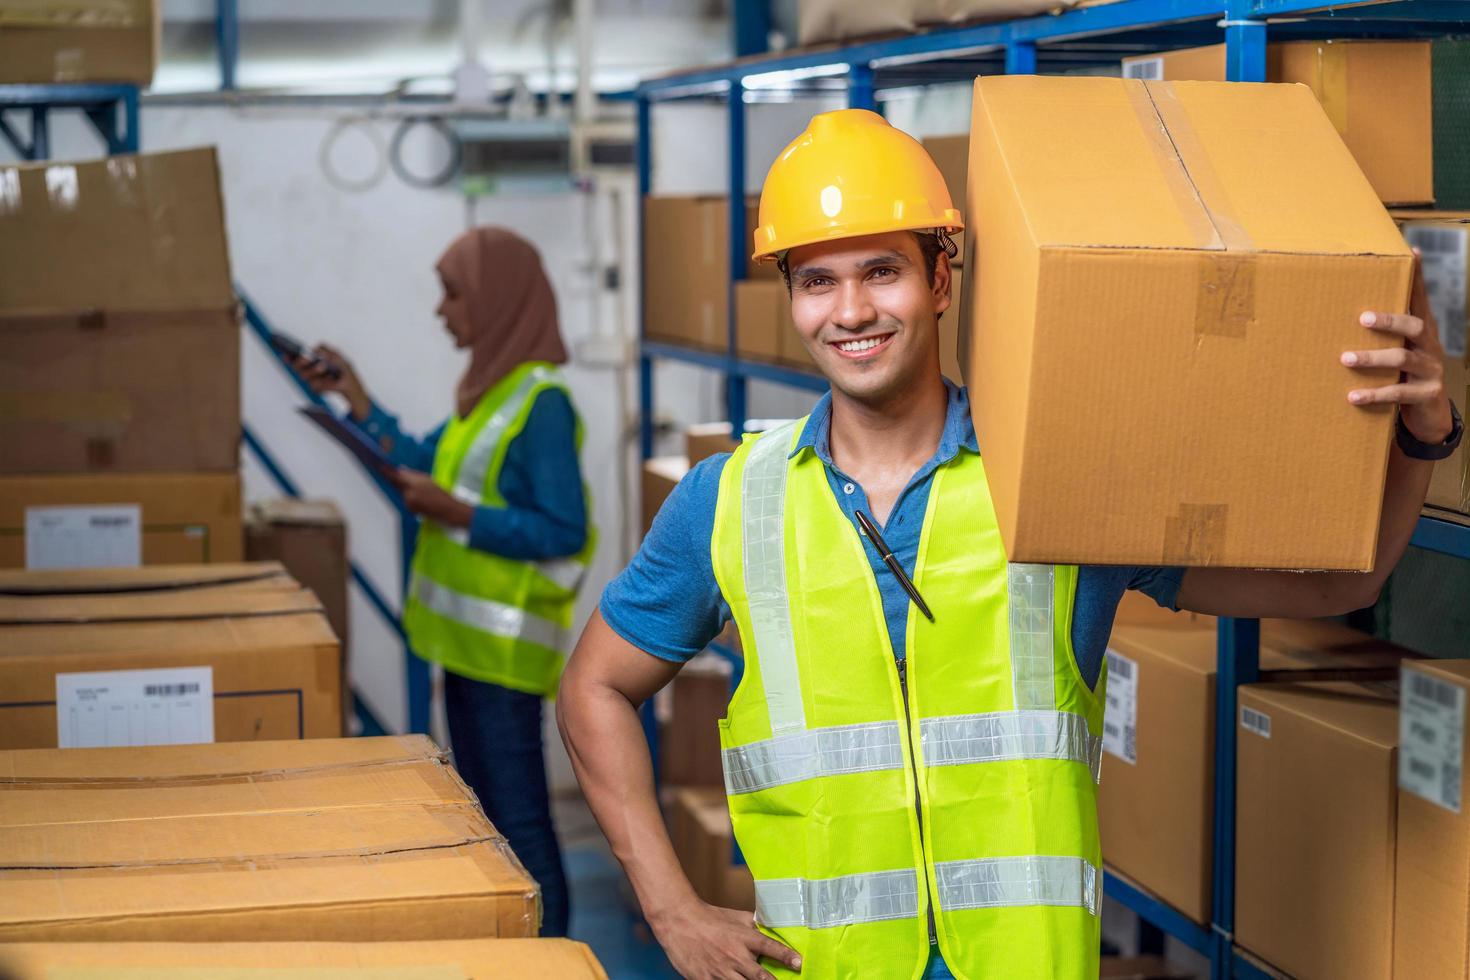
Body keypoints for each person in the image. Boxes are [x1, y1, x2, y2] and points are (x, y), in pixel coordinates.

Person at [557, 109, 1462, 979]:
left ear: (941, 281)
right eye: (817, 281)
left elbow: (1338, 583)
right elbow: (593, 687)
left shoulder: (1057, 478)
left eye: (882, 271)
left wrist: (1423, 439)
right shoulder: (730, 501)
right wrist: (671, 908)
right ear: (791, 299)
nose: (851, 311)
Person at [297, 226, 595, 938]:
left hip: (504, 658)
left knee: (519, 821)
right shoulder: (486, 395)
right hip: (466, 651)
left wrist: (457, 512)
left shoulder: (540, 404)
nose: (441, 310)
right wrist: (359, 402)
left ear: (497, 300)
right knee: (491, 817)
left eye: (453, 293)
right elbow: (429, 462)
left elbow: (564, 531)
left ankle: (550, 959)